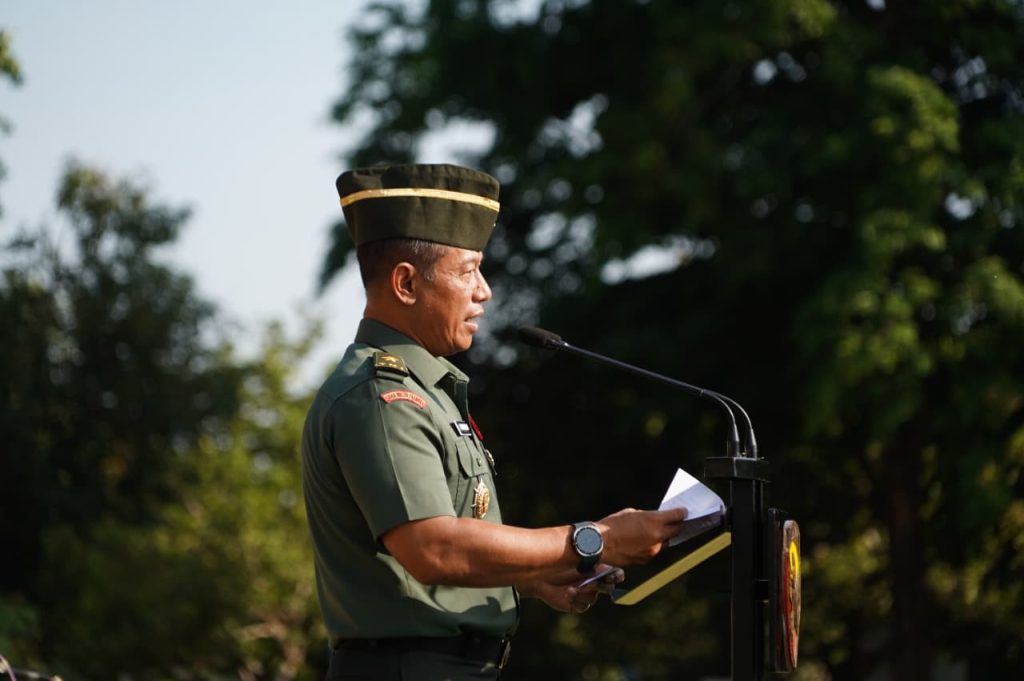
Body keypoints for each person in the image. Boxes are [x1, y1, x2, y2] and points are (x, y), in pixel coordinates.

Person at [301, 163, 686, 681]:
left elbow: (429, 565)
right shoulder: (381, 396)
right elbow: (434, 548)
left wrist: (533, 579)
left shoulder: (424, 393)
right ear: (406, 283)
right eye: (468, 271)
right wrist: (592, 539)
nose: (484, 291)